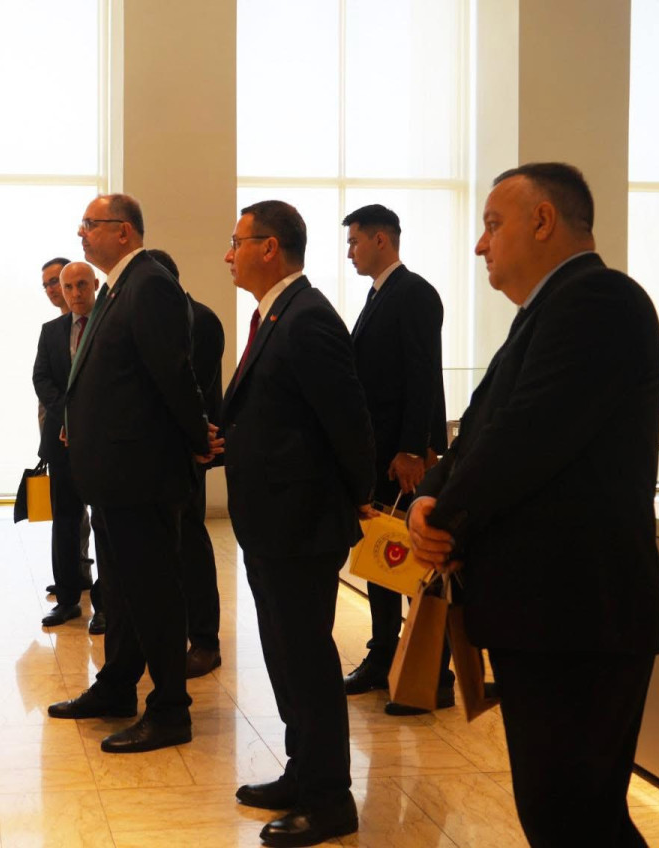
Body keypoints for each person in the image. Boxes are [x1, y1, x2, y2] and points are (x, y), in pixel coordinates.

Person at [407, 163, 659, 847]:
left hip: (580, 614)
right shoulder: (544, 314)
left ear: (543, 220)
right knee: (570, 815)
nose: (480, 244)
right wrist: (430, 496)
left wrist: (445, 518)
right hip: (554, 615)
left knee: (573, 818)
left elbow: (525, 437)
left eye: (493, 224)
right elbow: (477, 430)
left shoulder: (600, 301)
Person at [221, 200, 374, 847]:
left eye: (237, 242)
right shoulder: (275, 314)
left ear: (270, 247)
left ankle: (330, 799)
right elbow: (282, 416)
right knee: (285, 656)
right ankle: (303, 770)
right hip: (273, 522)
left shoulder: (307, 317)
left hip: (301, 525)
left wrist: (354, 500)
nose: (228, 254)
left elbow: (349, 423)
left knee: (307, 661)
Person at [46, 193, 218, 754]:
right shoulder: (118, 287)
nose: (81, 233)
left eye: (90, 224)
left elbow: (174, 373)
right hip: (114, 474)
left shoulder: (149, 285)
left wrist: (198, 440)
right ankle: (117, 686)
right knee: (120, 591)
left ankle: (169, 710)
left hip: (141, 474)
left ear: (123, 231)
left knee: (153, 593)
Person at [339, 204, 453, 715]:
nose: (350, 252)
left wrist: (412, 449)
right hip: (380, 453)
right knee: (382, 557)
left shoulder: (415, 293)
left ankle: (432, 675)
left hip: (401, 457)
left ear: (381, 240)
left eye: (355, 241)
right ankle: (383, 655)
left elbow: (423, 375)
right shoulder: (379, 295)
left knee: (418, 566)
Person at [145, 248, 225, 678]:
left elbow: (192, 389)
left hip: (191, 450)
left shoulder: (201, 319)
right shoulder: (168, 318)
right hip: (161, 452)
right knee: (168, 547)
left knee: (191, 543)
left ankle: (206, 640)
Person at [32, 260, 105, 631]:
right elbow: (42, 378)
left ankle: (107, 603)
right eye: (68, 287)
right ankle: (67, 600)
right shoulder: (51, 331)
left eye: (82, 285)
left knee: (105, 522)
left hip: (104, 440)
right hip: (62, 443)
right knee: (64, 520)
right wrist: (67, 416)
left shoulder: (109, 322)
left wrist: (85, 418)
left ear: (95, 285)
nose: (75, 293)